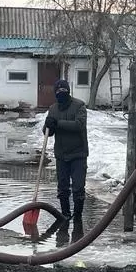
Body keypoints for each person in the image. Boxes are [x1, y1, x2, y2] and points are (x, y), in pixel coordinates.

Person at [43, 78, 88, 228]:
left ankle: (78, 217)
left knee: (78, 188)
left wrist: (58, 123)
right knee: (62, 188)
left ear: (68, 92)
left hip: (78, 154)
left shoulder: (79, 106)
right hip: (61, 155)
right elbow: (48, 132)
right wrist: (47, 125)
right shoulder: (53, 109)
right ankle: (65, 215)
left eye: (64, 91)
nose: (61, 93)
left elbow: (79, 125)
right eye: (58, 91)